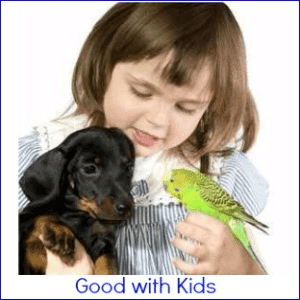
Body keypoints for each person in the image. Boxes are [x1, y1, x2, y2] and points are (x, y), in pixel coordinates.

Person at [18, 2, 269, 275]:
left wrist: (243, 268)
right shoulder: (38, 157)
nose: (158, 121)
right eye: (141, 92)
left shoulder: (223, 175)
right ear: (103, 68)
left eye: (186, 107)